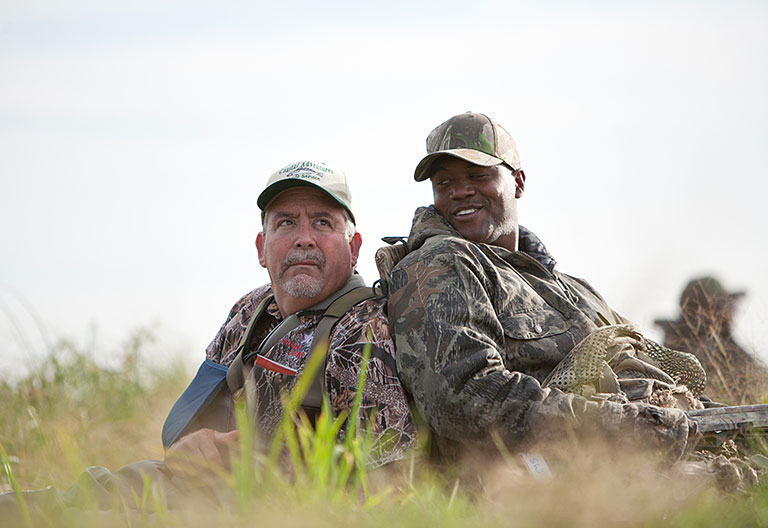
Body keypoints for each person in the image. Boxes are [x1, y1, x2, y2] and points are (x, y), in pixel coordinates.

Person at [1, 160, 415, 524]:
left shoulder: (361, 332)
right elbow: (193, 422)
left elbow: (389, 489)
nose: (304, 237)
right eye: (286, 222)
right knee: (84, 493)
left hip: (263, 511)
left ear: (353, 247)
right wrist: (192, 448)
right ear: (262, 248)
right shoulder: (250, 310)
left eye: (322, 222)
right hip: (192, 487)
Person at [385, 112, 699, 461]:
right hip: (546, 476)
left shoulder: (576, 290)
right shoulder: (442, 263)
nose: (460, 191)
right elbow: (462, 397)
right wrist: (616, 424)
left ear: (518, 183)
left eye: (478, 175)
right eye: (444, 183)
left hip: (660, 447)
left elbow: (650, 363)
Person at [655, 276, 766, 404]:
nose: (730, 312)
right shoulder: (706, 350)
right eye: (721, 305)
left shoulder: (673, 349)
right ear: (693, 311)